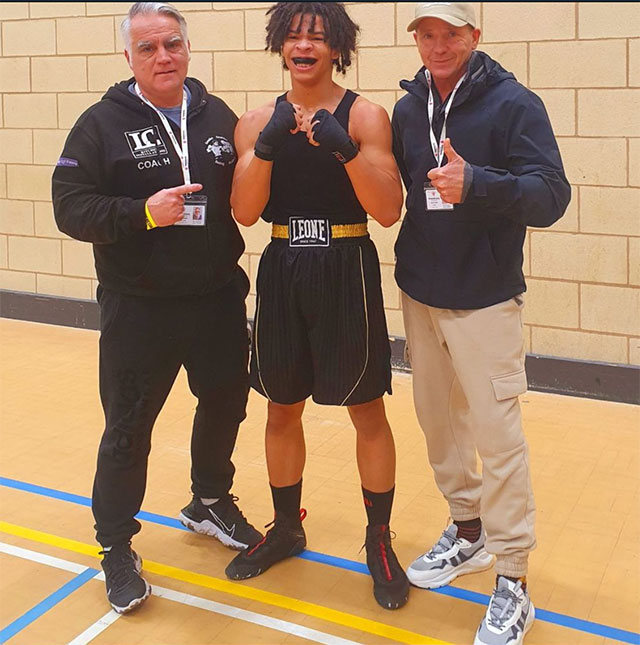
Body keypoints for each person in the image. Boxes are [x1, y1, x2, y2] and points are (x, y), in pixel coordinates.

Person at [52, 1, 262, 615]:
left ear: (187, 48)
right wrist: (141, 212)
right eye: (148, 48)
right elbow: (70, 206)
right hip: (139, 308)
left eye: (172, 44)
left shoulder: (216, 115)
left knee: (226, 404)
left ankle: (209, 501)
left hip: (218, 299)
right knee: (128, 429)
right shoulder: (101, 124)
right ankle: (116, 545)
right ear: (129, 57)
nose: (163, 57)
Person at [392, 2, 570, 643]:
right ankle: (468, 530)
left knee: (498, 439)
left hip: (486, 297)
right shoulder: (410, 107)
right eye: (427, 34)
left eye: (451, 34)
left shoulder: (514, 104)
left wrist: (481, 184)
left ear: (475, 35)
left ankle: (514, 578)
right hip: (421, 292)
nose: (438, 45)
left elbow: (552, 194)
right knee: (437, 422)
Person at [224, 2, 410, 611]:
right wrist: (271, 147)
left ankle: (378, 541)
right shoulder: (255, 122)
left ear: (337, 47)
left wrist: (345, 151)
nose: (305, 44)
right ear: (281, 45)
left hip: (345, 262)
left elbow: (387, 210)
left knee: (366, 409)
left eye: (318, 35)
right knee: (281, 407)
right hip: (282, 264)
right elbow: (246, 212)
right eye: (294, 34)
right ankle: (285, 526)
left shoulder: (366, 116)